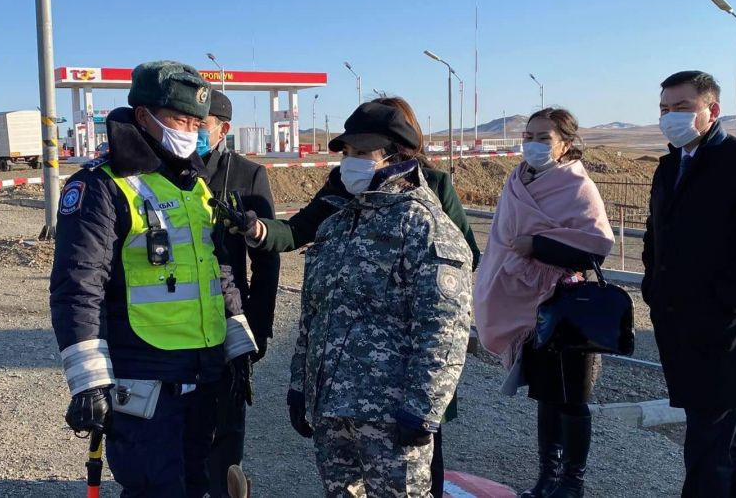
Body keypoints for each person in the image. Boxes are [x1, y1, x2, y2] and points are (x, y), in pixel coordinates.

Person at [224, 96, 478, 497]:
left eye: (362, 153)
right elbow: (314, 312)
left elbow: (444, 328)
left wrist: (424, 409)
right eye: (347, 152)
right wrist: (301, 385)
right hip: (334, 405)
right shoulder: (338, 220)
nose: (349, 162)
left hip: (392, 410)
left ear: (395, 154)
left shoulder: (423, 223)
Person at [50, 60, 256, 498]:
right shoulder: (102, 186)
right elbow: (78, 284)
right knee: (155, 489)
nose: (191, 130)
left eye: (198, 122)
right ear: (143, 116)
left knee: (197, 482)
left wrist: (237, 345)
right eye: (180, 119)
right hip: (145, 374)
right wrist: (88, 380)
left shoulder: (191, 185)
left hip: (202, 370)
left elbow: (214, 268)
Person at [473, 108, 615, 498]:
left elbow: (596, 248)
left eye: (543, 138)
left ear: (565, 144)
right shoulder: (515, 181)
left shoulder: (577, 187)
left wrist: (537, 246)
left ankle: (572, 482)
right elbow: (502, 238)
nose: (532, 144)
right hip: (525, 306)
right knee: (545, 396)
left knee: (571, 398)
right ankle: (546, 477)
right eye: (529, 135)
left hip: (565, 305)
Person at [643, 70, 736, 498]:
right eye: (664, 109)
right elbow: (657, 234)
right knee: (721, 437)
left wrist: (726, 301)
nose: (670, 117)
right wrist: (651, 288)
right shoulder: (670, 165)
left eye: (682, 108)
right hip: (680, 325)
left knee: (706, 446)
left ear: (712, 110)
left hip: (726, 330)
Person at [198, 90, 281, 498]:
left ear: (222, 129)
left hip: (229, 323)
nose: (191, 130)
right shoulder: (162, 172)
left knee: (225, 432)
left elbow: (267, 261)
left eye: (201, 124)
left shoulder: (248, 176)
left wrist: (260, 329)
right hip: (171, 327)